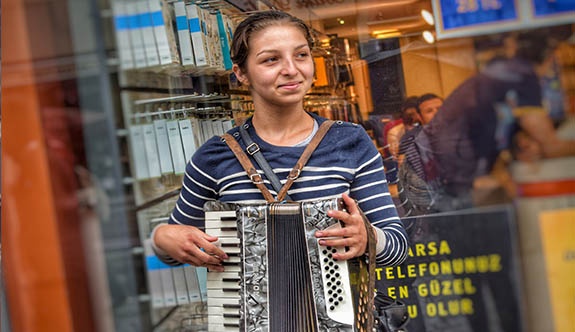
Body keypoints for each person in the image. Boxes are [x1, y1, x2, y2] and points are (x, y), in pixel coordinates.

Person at [151, 10, 409, 272]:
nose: (291, 70)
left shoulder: (350, 141)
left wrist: (369, 238)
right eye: (271, 59)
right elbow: (172, 252)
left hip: (343, 313)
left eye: (301, 55)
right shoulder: (214, 157)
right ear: (240, 72)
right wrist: (162, 236)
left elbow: (398, 248)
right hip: (248, 313)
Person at [423, 27, 575, 210]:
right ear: (550, 57)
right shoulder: (523, 76)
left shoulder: (503, 71)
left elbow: (497, 122)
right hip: (446, 180)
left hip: (439, 175)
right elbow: (551, 146)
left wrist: (520, 143)